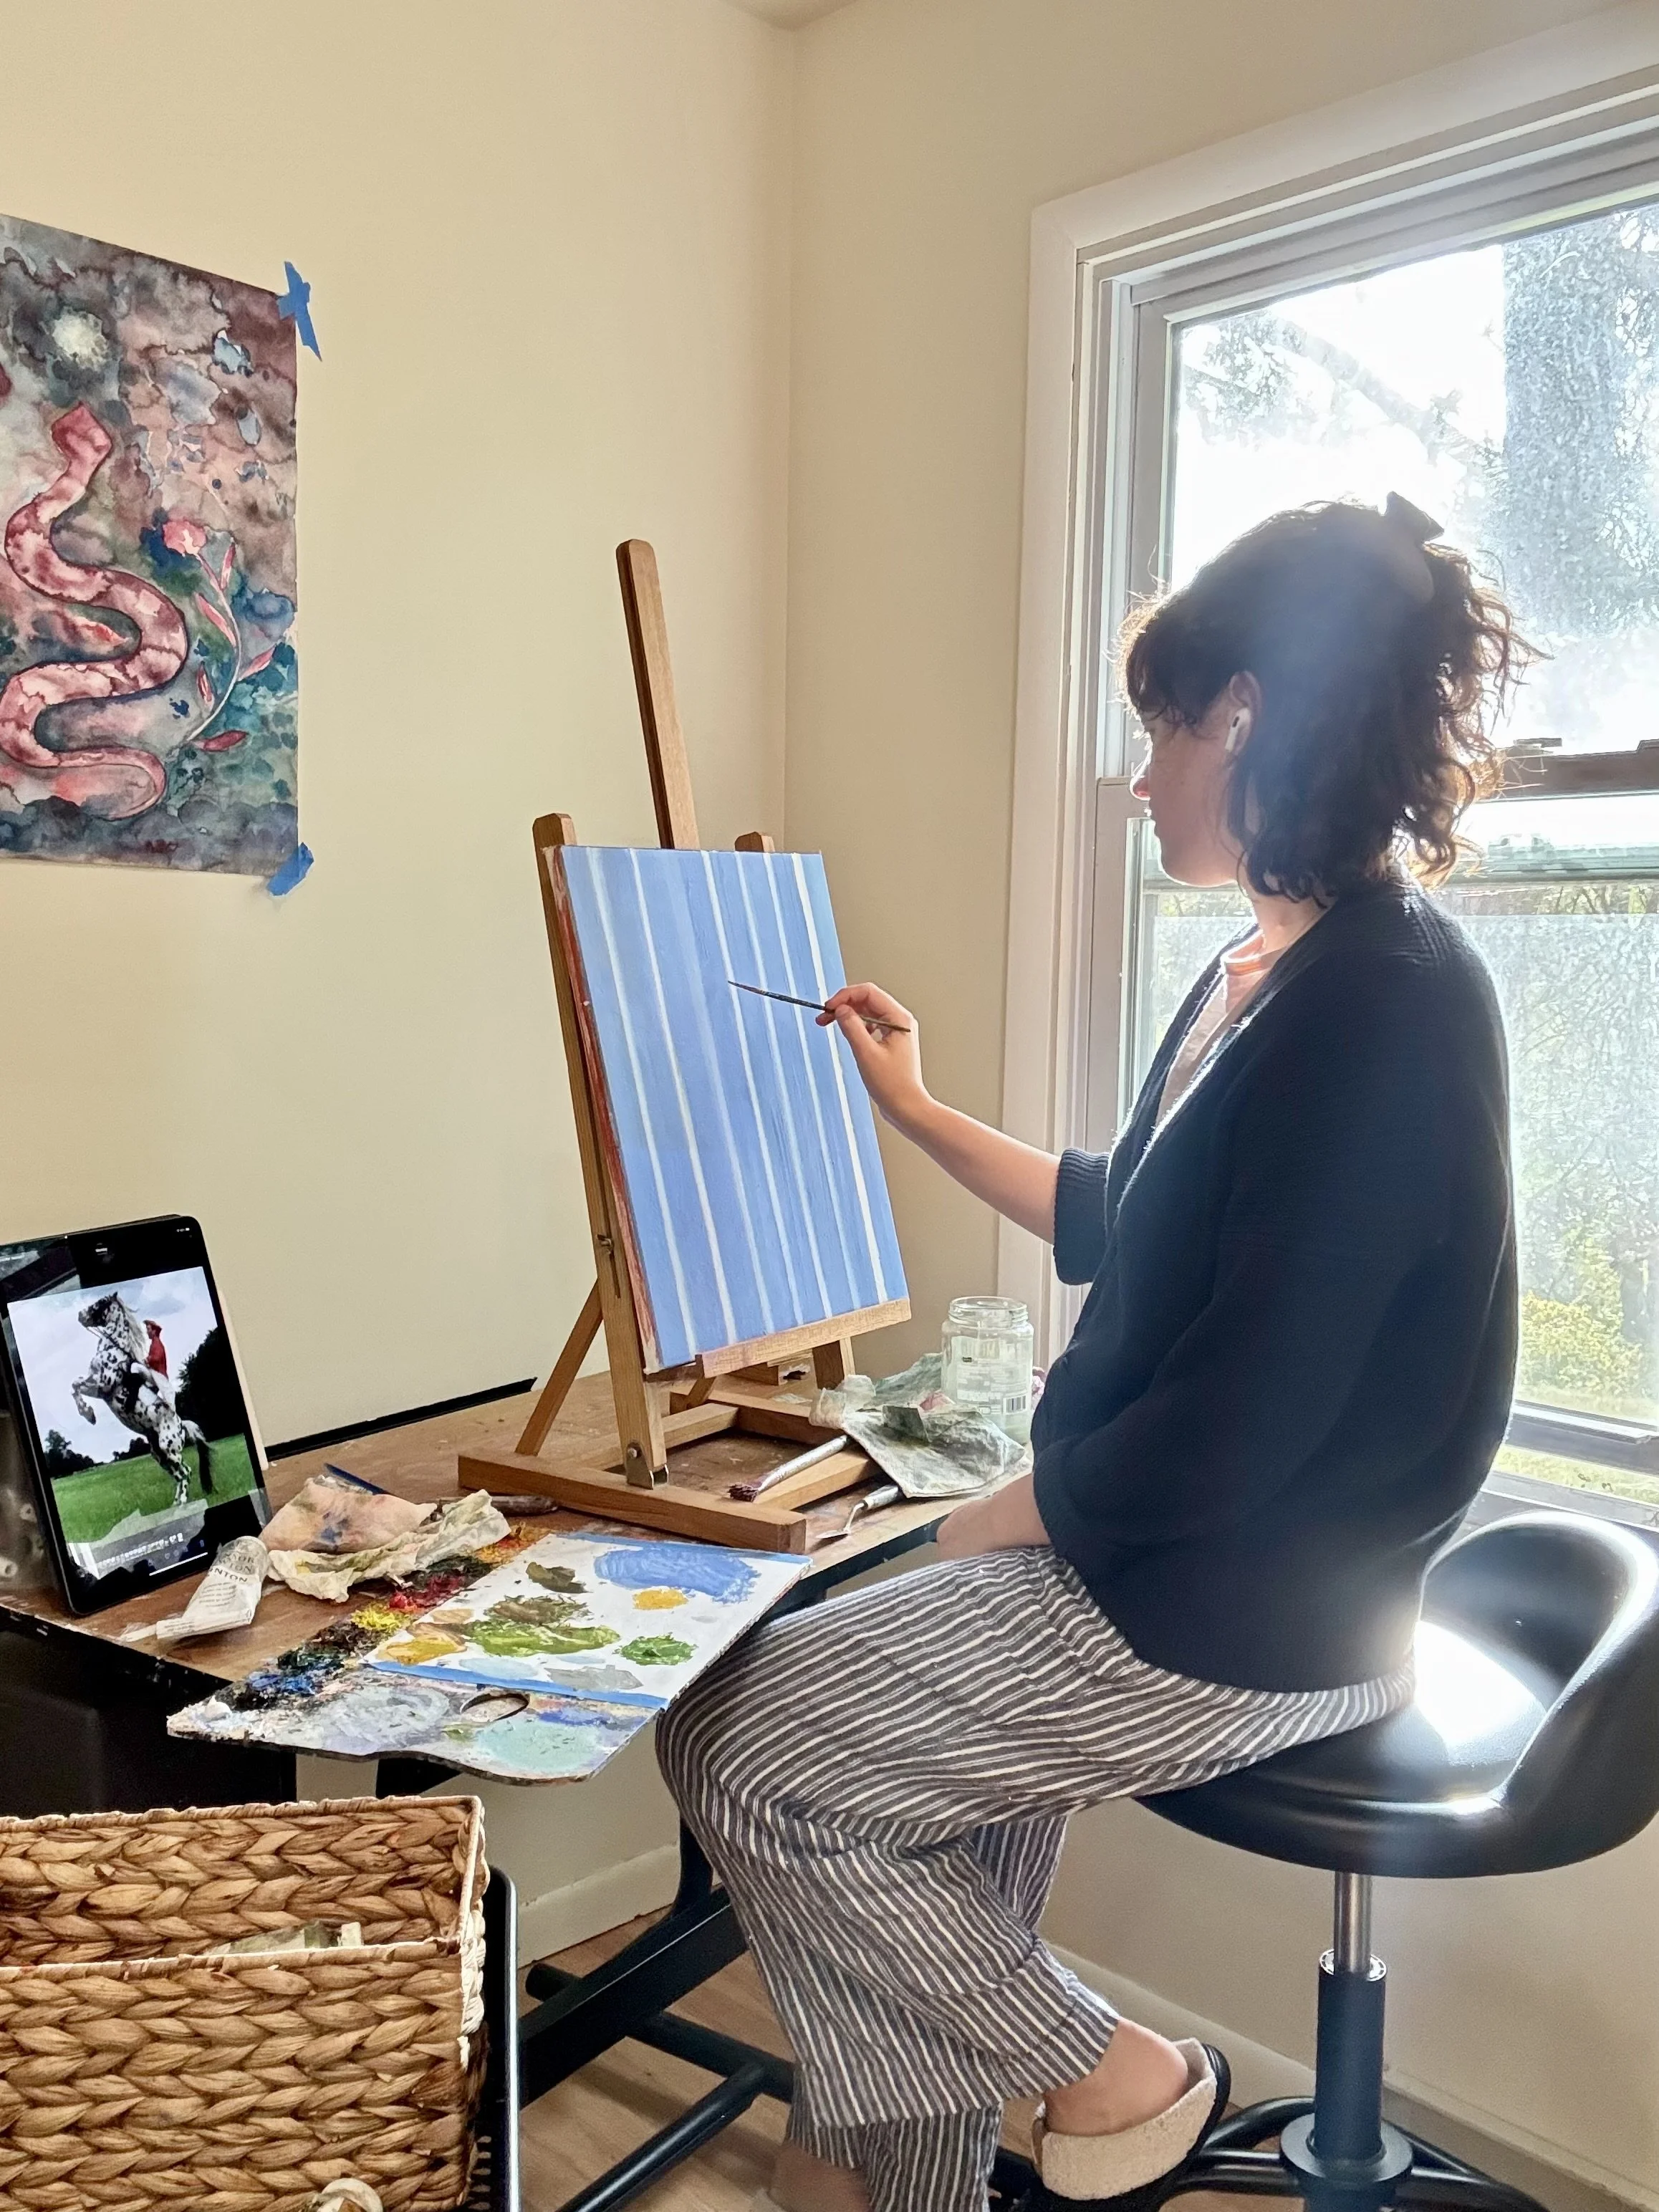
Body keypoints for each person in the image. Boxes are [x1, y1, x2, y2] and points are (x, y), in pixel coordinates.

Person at [657, 495, 1526, 2212]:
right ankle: (894, 2181)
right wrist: (911, 1105)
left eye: (1159, 729)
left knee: (739, 1741)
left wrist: (1013, 1507)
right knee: (908, 1798)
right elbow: (1124, 1210)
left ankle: (1123, 2073)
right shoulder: (1269, 970)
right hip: (1187, 1551)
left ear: (1251, 714)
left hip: (1257, 1602)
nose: (1139, 778)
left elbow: (1243, 1414)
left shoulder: (1390, 1005)